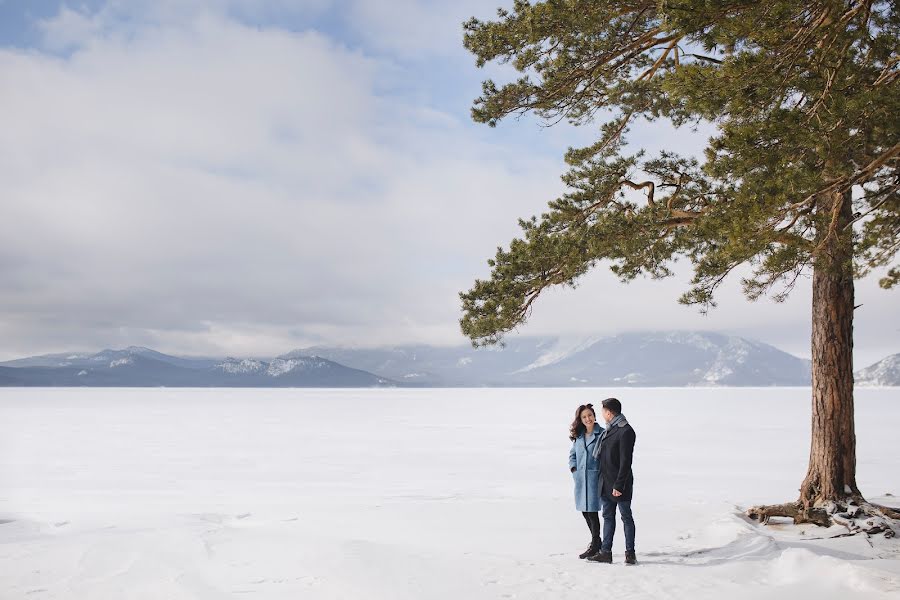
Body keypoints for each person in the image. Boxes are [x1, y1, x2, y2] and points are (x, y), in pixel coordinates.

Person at [588, 397, 637, 565]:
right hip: (605, 483)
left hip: (619, 484)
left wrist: (619, 485)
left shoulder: (625, 431)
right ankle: (606, 552)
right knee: (608, 517)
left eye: (603, 411)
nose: (602, 414)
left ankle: (630, 553)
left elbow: (625, 461)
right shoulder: (609, 430)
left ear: (609, 412)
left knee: (626, 517)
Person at [568, 403, 603, 559]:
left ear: (594, 416)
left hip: (595, 479)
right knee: (585, 511)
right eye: (584, 417)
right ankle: (596, 543)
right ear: (580, 420)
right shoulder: (579, 436)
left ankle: (595, 545)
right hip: (581, 479)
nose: (587, 418)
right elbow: (572, 455)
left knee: (593, 512)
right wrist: (574, 470)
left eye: (590, 415)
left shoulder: (602, 434)